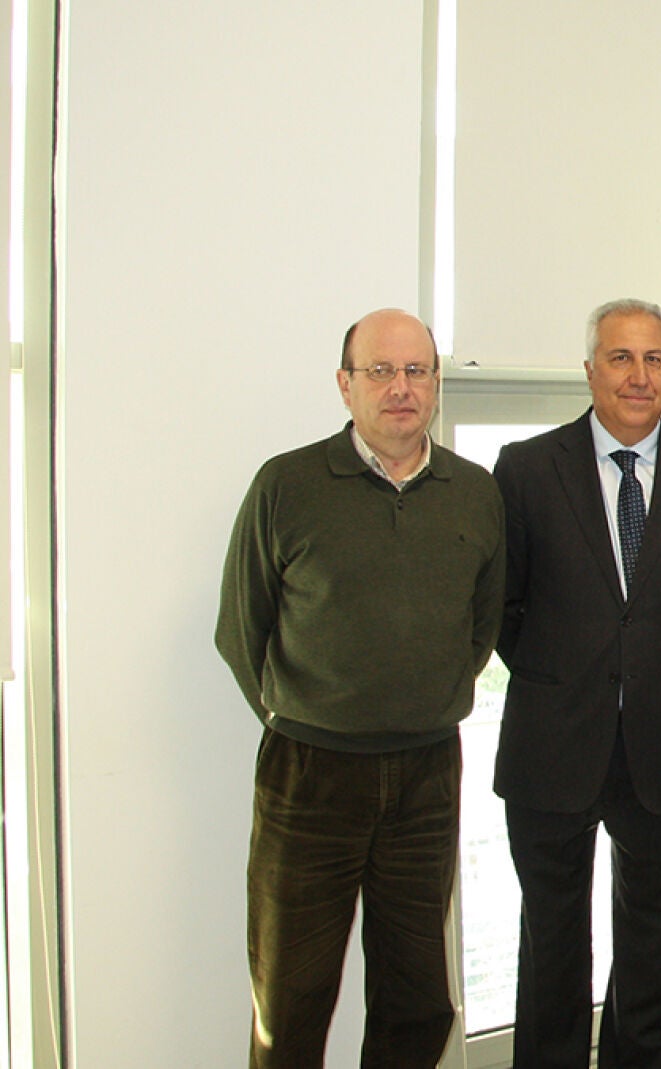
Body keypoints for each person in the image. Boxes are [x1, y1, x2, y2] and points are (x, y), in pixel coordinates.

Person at [216, 308, 505, 1068]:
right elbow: (240, 628)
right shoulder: (287, 484)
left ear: (435, 384)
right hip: (310, 776)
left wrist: (426, 696)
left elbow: (482, 624)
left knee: (417, 997)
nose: (400, 388)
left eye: (416, 371)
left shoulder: (475, 492)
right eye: (380, 371)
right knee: (291, 997)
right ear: (345, 385)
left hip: (427, 773)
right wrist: (306, 712)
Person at [491, 299, 661, 1068]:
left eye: (654, 359)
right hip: (552, 742)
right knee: (552, 940)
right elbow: (503, 607)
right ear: (590, 369)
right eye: (622, 357)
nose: (639, 375)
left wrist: (645, 673)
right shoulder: (526, 468)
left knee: (653, 941)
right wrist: (571, 675)